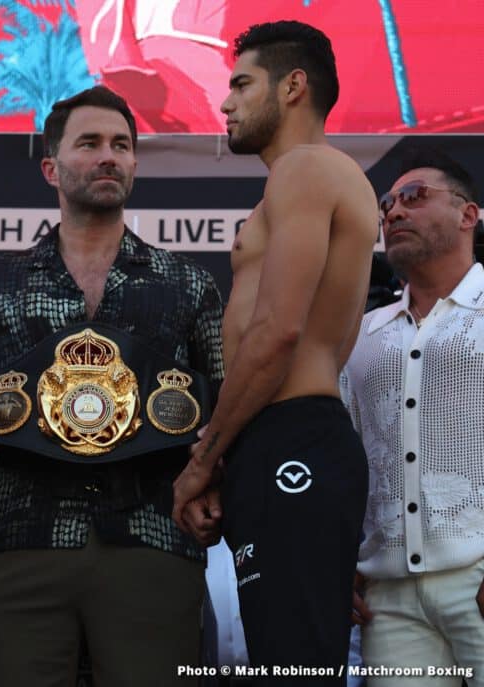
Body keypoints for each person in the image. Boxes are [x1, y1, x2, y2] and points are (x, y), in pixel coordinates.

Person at [0, 85, 224, 687]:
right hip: (19, 540)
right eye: (90, 143)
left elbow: (225, 408)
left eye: (121, 145)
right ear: (51, 167)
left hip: (151, 540)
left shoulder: (189, 284)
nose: (108, 157)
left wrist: (211, 475)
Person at [172, 20, 379, 683]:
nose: (225, 103)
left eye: (240, 84)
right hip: (277, 442)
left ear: (294, 86)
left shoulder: (307, 167)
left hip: (297, 441)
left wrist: (201, 460)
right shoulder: (298, 180)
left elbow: (277, 333)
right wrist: (230, 456)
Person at [343, 149, 484, 686]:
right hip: (390, 599)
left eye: (414, 196)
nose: (394, 211)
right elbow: (346, 457)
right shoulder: (361, 335)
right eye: (387, 203)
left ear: (468, 214)